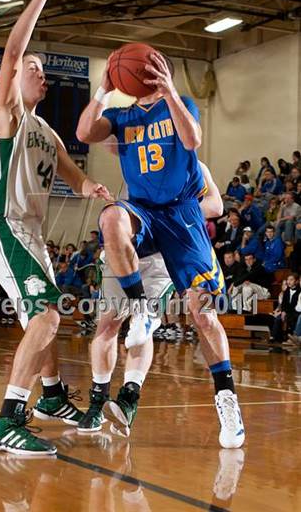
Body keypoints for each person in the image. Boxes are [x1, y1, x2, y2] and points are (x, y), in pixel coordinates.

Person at [0, 0, 111, 456]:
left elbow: (73, 177)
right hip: (3, 223)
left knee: (48, 314)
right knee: (49, 316)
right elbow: (13, 51)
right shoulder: (7, 114)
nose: (40, 73)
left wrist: (93, 190)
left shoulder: (46, 131)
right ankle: (6, 419)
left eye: (42, 70)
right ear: (12, 81)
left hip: (28, 231)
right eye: (34, 68)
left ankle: (51, 396)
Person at [77, 50, 245, 448]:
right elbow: (85, 133)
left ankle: (227, 399)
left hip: (182, 214)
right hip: (144, 212)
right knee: (110, 219)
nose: (147, 74)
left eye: (155, 69)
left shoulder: (181, 105)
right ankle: (141, 310)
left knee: (203, 315)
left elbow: (193, 139)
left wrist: (169, 89)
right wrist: (104, 88)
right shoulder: (122, 118)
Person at [78, 155, 223, 436]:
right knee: (108, 324)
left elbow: (216, 205)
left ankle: (129, 396)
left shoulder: (193, 164)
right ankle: (98, 401)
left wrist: (170, 215)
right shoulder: (136, 158)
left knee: (143, 327)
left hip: (161, 255)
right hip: (127, 249)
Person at [269, 274, 300, 343]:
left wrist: (286, 312)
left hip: (294, 312)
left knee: (292, 318)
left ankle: (291, 337)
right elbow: (284, 303)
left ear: (297, 281)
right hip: (286, 311)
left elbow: (295, 306)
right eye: (288, 280)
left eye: (291, 280)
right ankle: (274, 336)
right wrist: (283, 311)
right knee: (277, 318)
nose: (289, 282)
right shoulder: (287, 291)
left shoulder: (299, 291)